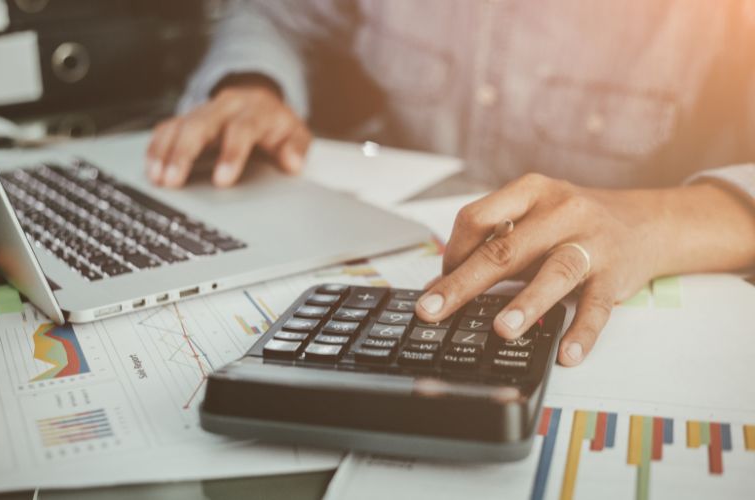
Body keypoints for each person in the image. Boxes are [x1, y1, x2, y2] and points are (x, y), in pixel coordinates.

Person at [145, 0, 755, 366]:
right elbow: (278, 16)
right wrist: (254, 84)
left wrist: (652, 220)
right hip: (395, 265)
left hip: (635, 328)